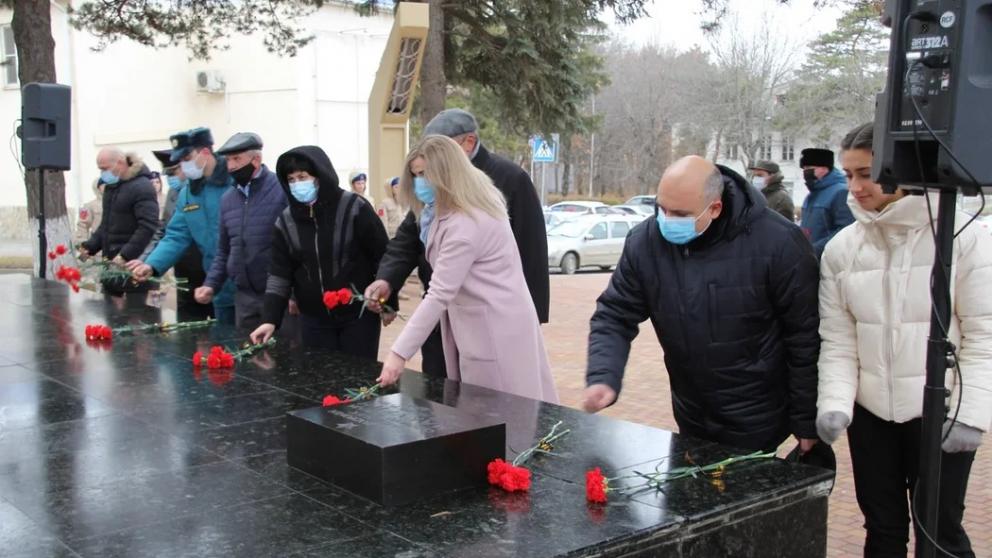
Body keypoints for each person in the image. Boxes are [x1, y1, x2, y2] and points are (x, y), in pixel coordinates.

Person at [815, 123, 991, 557]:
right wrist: (835, 403)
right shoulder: (841, 249)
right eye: (848, 174)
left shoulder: (963, 237)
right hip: (872, 414)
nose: (854, 187)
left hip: (940, 412)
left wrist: (970, 415)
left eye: (865, 173)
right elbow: (839, 339)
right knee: (882, 527)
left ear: (902, 169)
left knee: (940, 530)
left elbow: (984, 335)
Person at [583, 155, 820, 453]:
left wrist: (806, 421)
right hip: (691, 411)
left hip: (759, 414)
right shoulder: (646, 242)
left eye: (679, 213)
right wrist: (604, 375)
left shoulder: (779, 243)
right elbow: (615, 314)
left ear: (715, 208)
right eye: (661, 208)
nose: (666, 220)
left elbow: (805, 336)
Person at [365, 108, 549, 378]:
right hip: (446, 317)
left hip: (490, 319)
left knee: (492, 404)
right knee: (445, 397)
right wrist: (388, 280)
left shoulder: (503, 183)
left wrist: (532, 317)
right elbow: (407, 240)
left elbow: (530, 253)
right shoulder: (437, 197)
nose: (420, 181)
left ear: (466, 144)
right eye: (416, 174)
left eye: (428, 168)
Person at [249, 146, 394, 357]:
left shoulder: (354, 207)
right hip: (313, 321)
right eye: (291, 179)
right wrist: (269, 319)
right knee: (321, 382)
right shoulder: (286, 221)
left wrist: (389, 302)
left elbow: (382, 256)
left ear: (319, 176)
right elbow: (279, 274)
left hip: (358, 317)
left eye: (303, 177)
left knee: (358, 378)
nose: (297, 184)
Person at [126, 127, 236, 323]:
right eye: (181, 162)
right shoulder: (188, 193)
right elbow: (176, 235)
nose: (184, 166)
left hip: (247, 284)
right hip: (217, 284)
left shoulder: (234, 183)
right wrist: (152, 264)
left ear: (205, 152)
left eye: (187, 159)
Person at [193, 133, 288, 331]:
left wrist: (294, 295)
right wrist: (210, 284)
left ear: (256, 159)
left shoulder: (281, 190)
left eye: (237, 159)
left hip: (278, 296)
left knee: (283, 356)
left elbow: (296, 246)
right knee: (248, 355)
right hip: (244, 297)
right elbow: (224, 250)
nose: (231, 166)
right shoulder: (228, 199)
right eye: (228, 160)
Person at [80, 148, 160, 299]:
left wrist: (125, 255)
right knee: (110, 315)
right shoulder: (112, 187)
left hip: (136, 265)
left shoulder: (142, 186)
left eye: (105, 169)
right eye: (100, 169)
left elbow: (147, 226)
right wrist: (89, 247)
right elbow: (106, 225)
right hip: (112, 262)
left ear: (121, 163)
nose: (103, 174)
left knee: (138, 316)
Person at [799, 147, 854, 257]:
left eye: (809, 167)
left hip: (828, 258)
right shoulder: (812, 194)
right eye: (804, 168)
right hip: (810, 259)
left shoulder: (841, 192)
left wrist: (814, 250)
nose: (805, 172)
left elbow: (845, 231)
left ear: (824, 168)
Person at [74, 179, 104, 245]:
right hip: (98, 246)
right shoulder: (89, 206)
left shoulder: (119, 203)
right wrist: (83, 242)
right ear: (97, 187)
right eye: (103, 184)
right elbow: (82, 225)